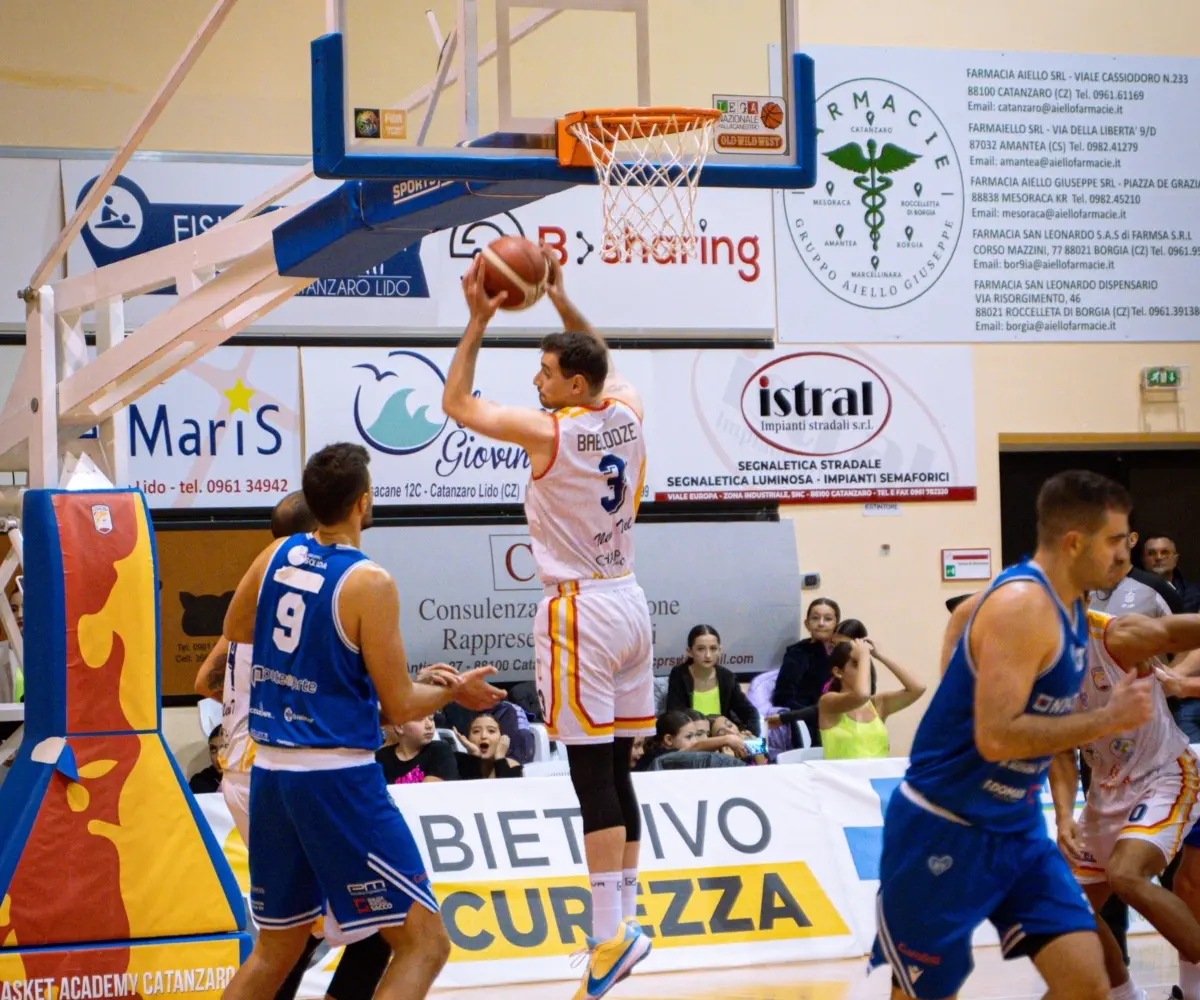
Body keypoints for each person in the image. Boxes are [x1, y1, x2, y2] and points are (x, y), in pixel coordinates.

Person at [218, 443, 505, 1000]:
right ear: (363, 502)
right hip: (335, 778)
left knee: (276, 950)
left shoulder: (276, 555)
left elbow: (236, 624)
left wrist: (311, 666)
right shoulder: (369, 582)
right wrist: (454, 692)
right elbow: (399, 706)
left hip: (271, 774)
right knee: (425, 942)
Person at [442, 248, 653, 999]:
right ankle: (625, 922)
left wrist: (476, 320)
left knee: (590, 770)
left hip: (581, 613)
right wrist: (563, 302)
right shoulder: (623, 407)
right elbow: (602, 355)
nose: (535, 380)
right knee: (619, 761)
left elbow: (458, 406)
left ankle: (607, 939)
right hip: (630, 598)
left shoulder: (551, 433)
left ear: (572, 383)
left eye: (544, 371)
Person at [869, 470, 1155, 1000]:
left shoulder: (1069, 604)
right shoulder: (1022, 605)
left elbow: (961, 621)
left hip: (1016, 828)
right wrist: (1108, 718)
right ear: (1075, 542)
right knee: (922, 994)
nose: (1124, 553)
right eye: (1115, 539)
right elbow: (996, 739)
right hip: (944, 822)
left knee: (1086, 984)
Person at [1051, 606, 1200, 1000]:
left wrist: (1186, 684)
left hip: (1164, 773)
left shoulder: (1114, 637)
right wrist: (1064, 815)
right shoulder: (1035, 667)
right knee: (1063, 910)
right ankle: (1125, 995)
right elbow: (1059, 752)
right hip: (1106, 791)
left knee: (1130, 875)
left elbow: (1178, 631)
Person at [817, 638, 924, 760]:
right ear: (838, 672)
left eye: (866, 665)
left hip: (877, 777)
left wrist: (879, 656)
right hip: (842, 778)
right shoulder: (828, 701)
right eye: (857, 664)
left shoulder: (878, 703)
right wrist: (863, 656)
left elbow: (918, 688)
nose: (865, 670)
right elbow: (861, 695)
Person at [665, 625, 760, 733]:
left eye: (713, 649)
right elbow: (675, 717)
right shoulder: (679, 675)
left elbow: (750, 713)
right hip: (693, 740)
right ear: (690, 652)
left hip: (723, 737)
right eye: (701, 649)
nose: (708, 655)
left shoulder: (727, 677)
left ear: (719, 650)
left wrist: (751, 735)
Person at [772, 598, 841, 711]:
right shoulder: (797, 652)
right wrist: (815, 714)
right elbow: (782, 698)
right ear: (807, 624)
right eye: (815, 618)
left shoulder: (844, 651)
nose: (821, 623)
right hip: (807, 718)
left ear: (837, 625)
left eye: (828, 619)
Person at [377, 716, 457, 784]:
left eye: (431, 718)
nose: (429, 725)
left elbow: (430, 791)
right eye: (420, 719)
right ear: (399, 726)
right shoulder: (381, 757)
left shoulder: (440, 750)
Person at [454, 713, 524, 779]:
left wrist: (500, 759)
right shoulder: (455, 763)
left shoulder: (512, 766)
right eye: (476, 731)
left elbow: (506, 790)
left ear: (502, 738)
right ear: (467, 738)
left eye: (491, 731)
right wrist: (474, 757)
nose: (483, 736)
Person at [1146, 535, 1200, 613]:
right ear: (1143, 559)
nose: (1158, 557)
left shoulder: (1195, 595)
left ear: (1175, 560)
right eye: (1151, 553)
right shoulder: (1131, 592)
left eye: (1165, 552)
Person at [189, 725, 225, 794]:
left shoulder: (247, 781)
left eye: (224, 749)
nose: (218, 757)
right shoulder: (200, 783)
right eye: (213, 751)